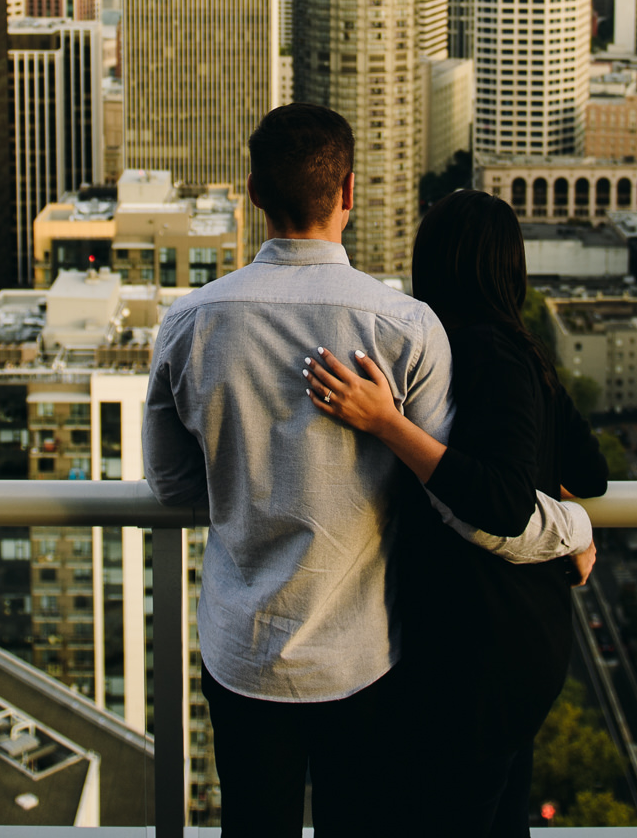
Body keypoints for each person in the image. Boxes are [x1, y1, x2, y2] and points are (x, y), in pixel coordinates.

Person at [144, 106, 592, 836]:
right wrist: (569, 525)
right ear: (350, 191)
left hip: (243, 655)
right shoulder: (407, 329)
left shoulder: (189, 324)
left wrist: (250, 484)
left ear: (253, 192)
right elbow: (460, 499)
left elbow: (172, 488)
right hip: (361, 661)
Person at [303, 189, 609, 837]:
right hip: (530, 639)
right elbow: (590, 472)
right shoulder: (528, 354)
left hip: (476, 651)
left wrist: (386, 423)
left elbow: (499, 502)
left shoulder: (471, 356)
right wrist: (571, 525)